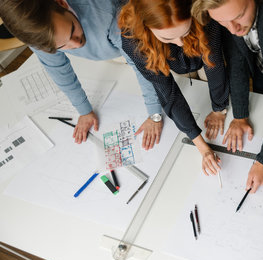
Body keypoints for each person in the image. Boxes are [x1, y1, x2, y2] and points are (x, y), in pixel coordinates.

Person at [0, 0, 164, 150]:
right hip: (111, 45)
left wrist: (154, 114)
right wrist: (84, 111)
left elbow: (143, 64)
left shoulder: (106, 13)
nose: (76, 44)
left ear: (62, 4)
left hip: (146, 30)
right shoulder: (39, 36)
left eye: (72, 30)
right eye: (62, 46)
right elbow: (60, 71)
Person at [192, 0, 263, 192]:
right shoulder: (228, 15)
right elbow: (236, 58)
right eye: (223, 23)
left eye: (238, 17)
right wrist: (240, 115)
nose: (233, 29)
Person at [118, 0, 229, 175]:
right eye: (168, 38)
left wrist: (219, 108)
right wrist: (201, 146)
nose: (179, 43)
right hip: (175, 64)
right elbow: (168, 93)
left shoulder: (202, 12)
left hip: (203, 55)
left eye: (185, 32)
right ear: (146, 27)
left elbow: (213, 64)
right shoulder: (133, 41)